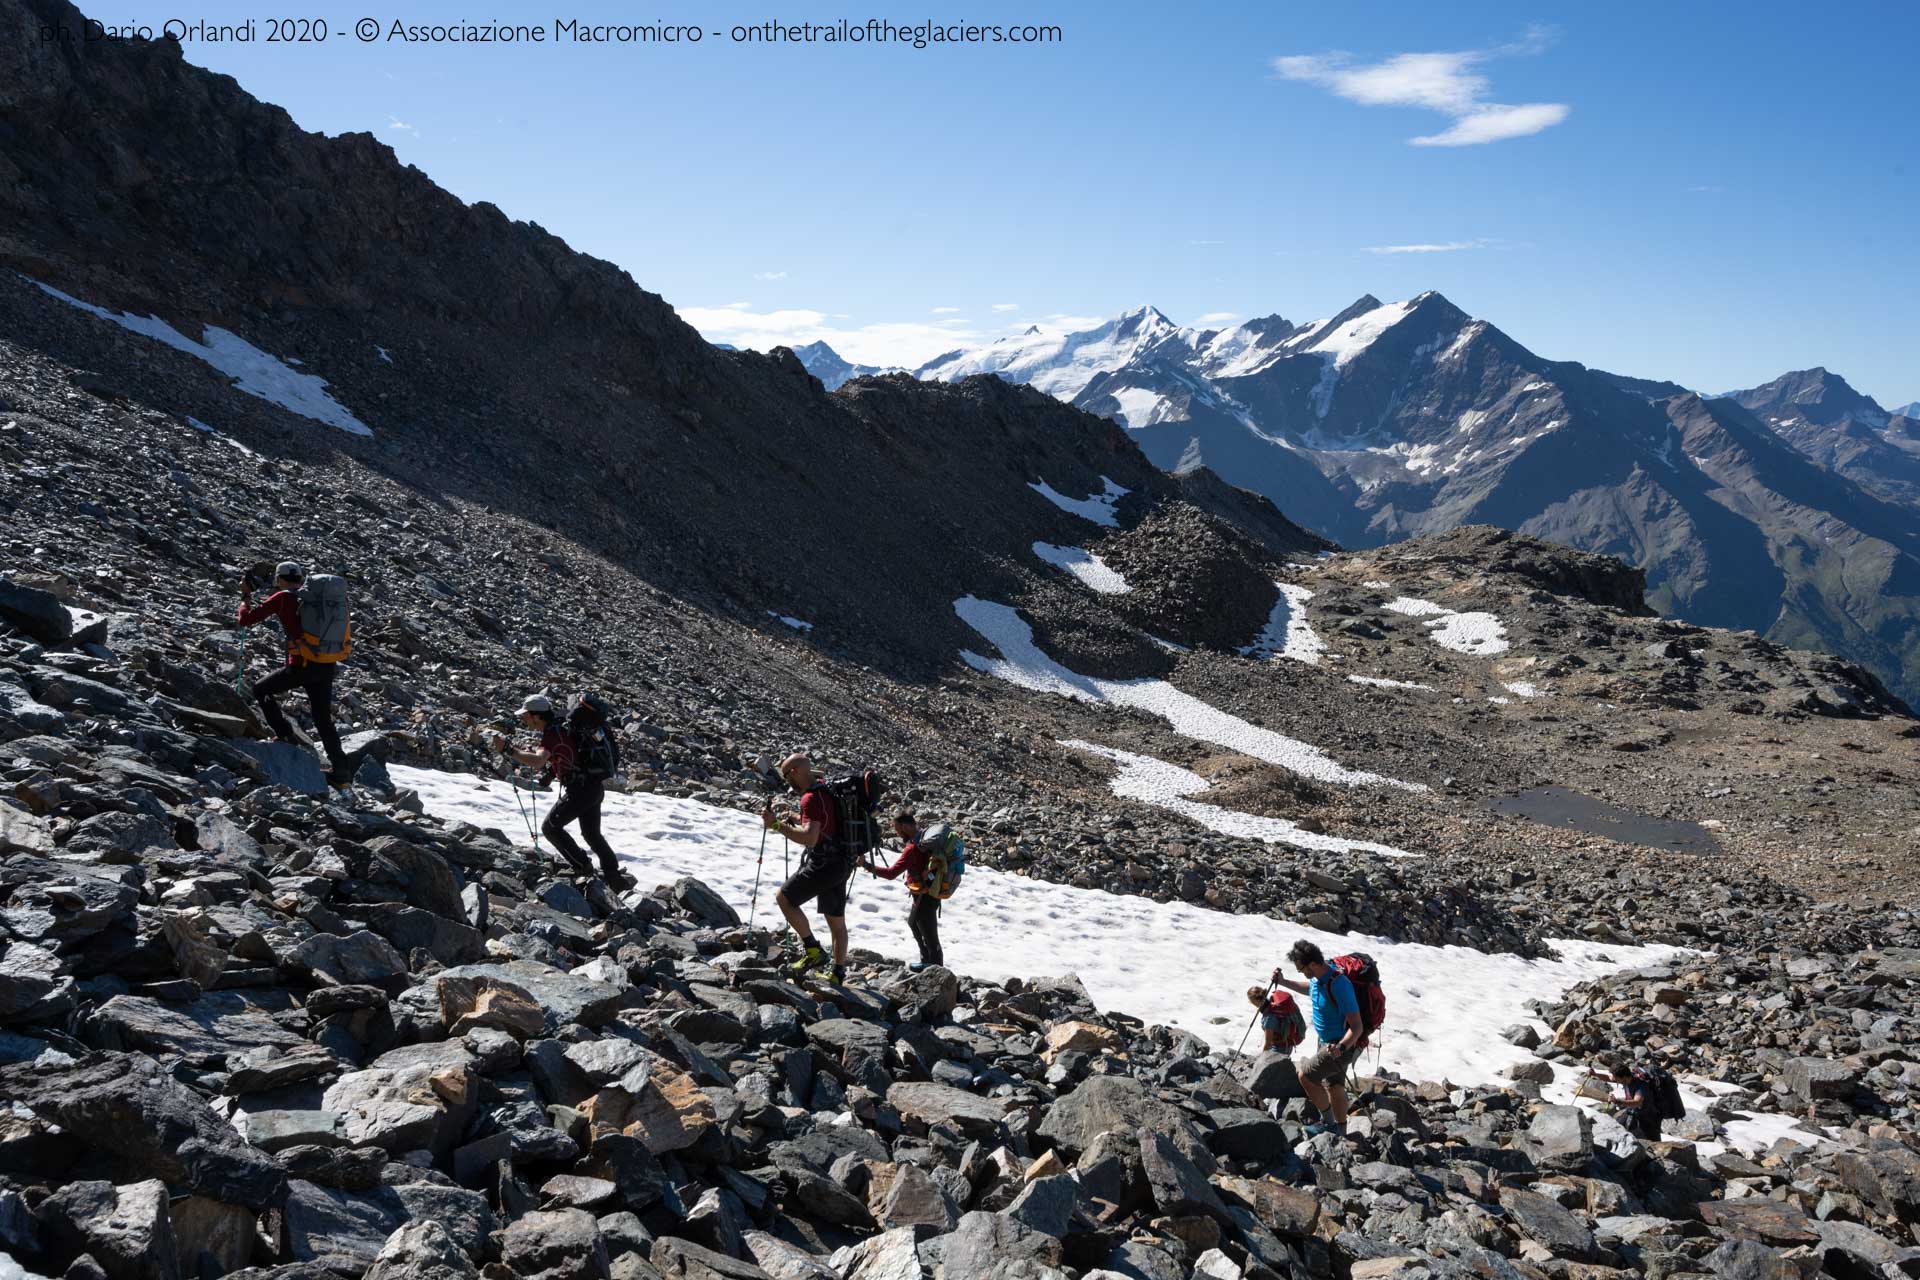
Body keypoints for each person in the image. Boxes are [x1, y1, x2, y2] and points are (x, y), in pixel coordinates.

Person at [492, 694, 635, 891]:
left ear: (536, 716)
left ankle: (582, 867)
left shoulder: (552, 734)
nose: (523, 720)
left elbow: (537, 760)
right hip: (593, 787)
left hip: (581, 790)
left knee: (550, 828)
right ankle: (614, 876)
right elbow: (568, 754)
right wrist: (551, 774)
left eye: (525, 716)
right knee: (592, 834)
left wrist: (508, 750)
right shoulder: (563, 727)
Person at [239, 561, 354, 784]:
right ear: (302, 580)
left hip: (301, 665)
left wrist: (245, 598)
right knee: (322, 719)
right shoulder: (315, 598)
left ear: (279, 579)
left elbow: (246, 620)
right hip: (326, 663)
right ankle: (341, 773)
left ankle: (284, 735)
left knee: (261, 689)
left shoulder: (282, 598)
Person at [765, 753, 850, 982]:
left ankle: (813, 950)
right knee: (836, 921)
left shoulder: (810, 799)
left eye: (786, 776)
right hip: (842, 860)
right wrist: (796, 816)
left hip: (823, 863)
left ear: (794, 772)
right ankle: (837, 974)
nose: (787, 782)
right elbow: (823, 822)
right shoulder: (825, 788)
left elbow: (810, 838)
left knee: (784, 897)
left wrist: (775, 824)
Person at [1271, 939, 1365, 1135]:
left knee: (1305, 1076)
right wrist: (1285, 982)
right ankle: (1340, 1130)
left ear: (1313, 964)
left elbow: (1357, 1027)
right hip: (1328, 1042)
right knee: (1334, 1085)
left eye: (1301, 969)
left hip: (1340, 1045)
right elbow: (1311, 988)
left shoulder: (1340, 984)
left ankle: (1328, 1123)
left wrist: (1341, 1047)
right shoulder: (1318, 978)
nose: (1301, 972)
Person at [868, 810, 942, 970]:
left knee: (927, 929)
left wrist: (867, 866)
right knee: (916, 923)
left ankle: (936, 968)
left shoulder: (913, 848)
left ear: (905, 826)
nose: (897, 833)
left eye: (897, 829)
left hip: (924, 893)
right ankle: (928, 961)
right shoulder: (924, 838)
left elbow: (891, 873)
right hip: (931, 890)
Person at [1603, 1056, 1663, 1141]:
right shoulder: (1625, 1079)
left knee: (1654, 1141)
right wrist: (1595, 1074)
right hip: (1635, 1112)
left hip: (1650, 1117)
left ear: (1623, 1077)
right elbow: (1609, 1078)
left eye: (1616, 1077)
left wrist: (1617, 1101)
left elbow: (1637, 1102)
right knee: (1616, 1126)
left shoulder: (1640, 1085)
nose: (1614, 1079)